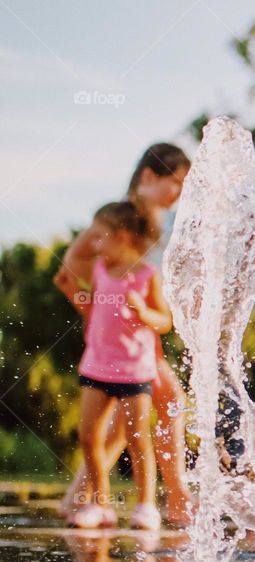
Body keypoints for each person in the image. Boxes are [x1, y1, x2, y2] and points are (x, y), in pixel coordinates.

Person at [54, 144, 193, 526]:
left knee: (129, 420)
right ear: (148, 177)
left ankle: (83, 496)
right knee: (166, 402)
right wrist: (98, 307)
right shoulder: (122, 218)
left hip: (139, 333)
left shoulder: (157, 219)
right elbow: (74, 260)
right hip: (125, 339)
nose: (179, 193)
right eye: (175, 183)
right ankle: (175, 497)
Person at [60, 202, 172, 529]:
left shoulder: (147, 276)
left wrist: (142, 312)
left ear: (122, 237)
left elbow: (164, 321)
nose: (95, 245)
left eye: (100, 238)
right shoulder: (98, 270)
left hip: (134, 369)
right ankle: (100, 503)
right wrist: (76, 298)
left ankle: (146, 506)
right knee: (88, 436)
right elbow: (95, 310)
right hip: (97, 365)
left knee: (137, 437)